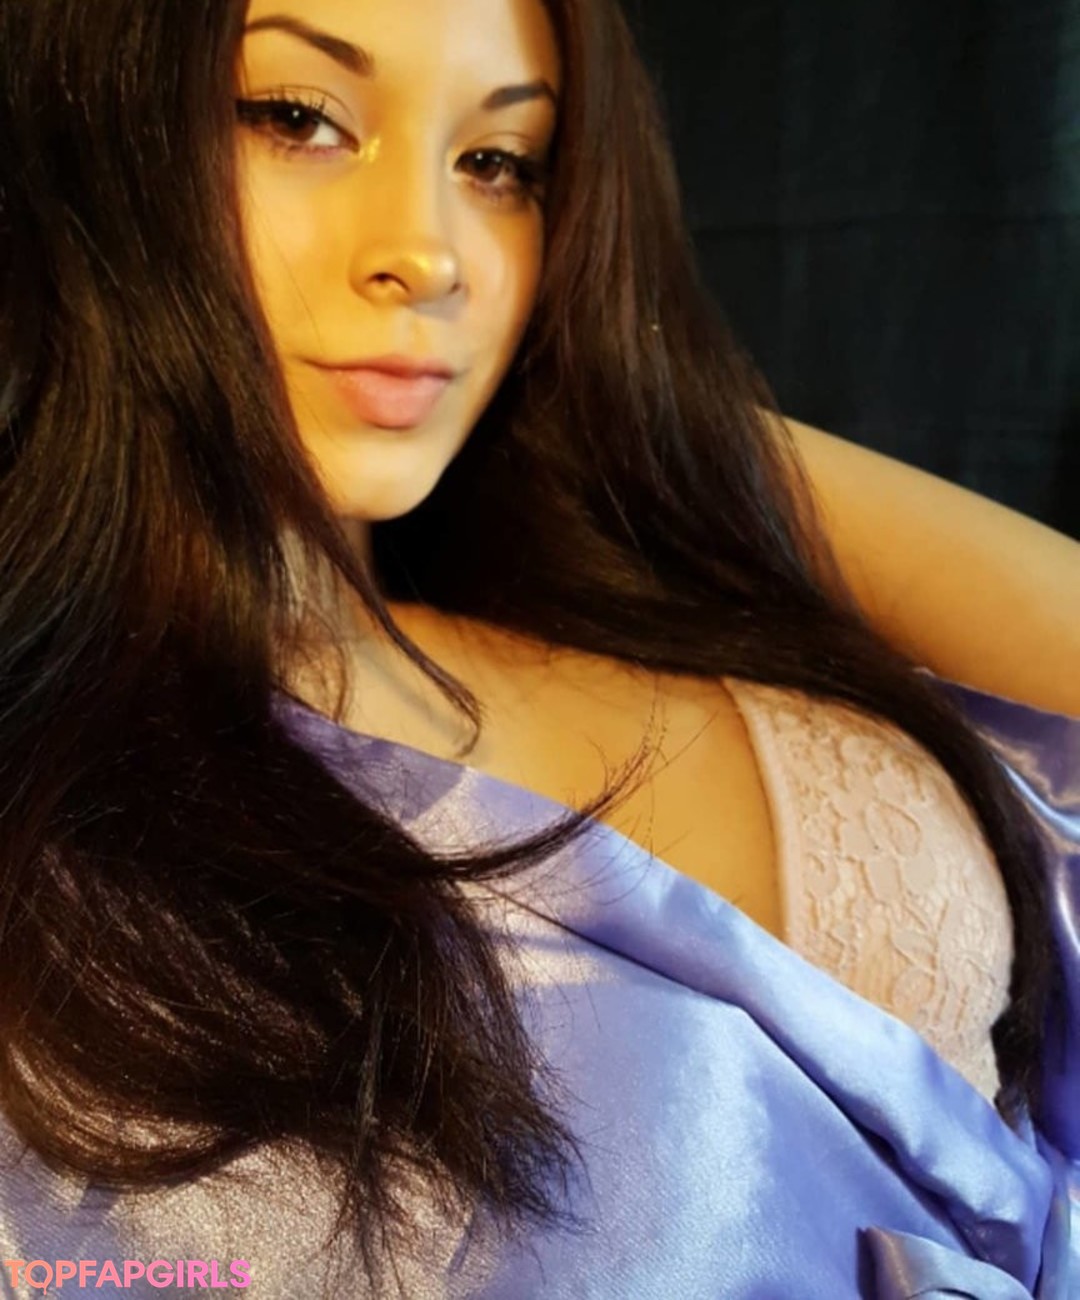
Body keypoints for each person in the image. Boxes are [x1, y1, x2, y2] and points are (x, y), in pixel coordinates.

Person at [0, 0, 1077, 1296]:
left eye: (498, 162)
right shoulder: (65, 867)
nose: (428, 255)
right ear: (86, 130)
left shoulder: (630, 593)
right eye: (298, 119)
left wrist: (630, 403)